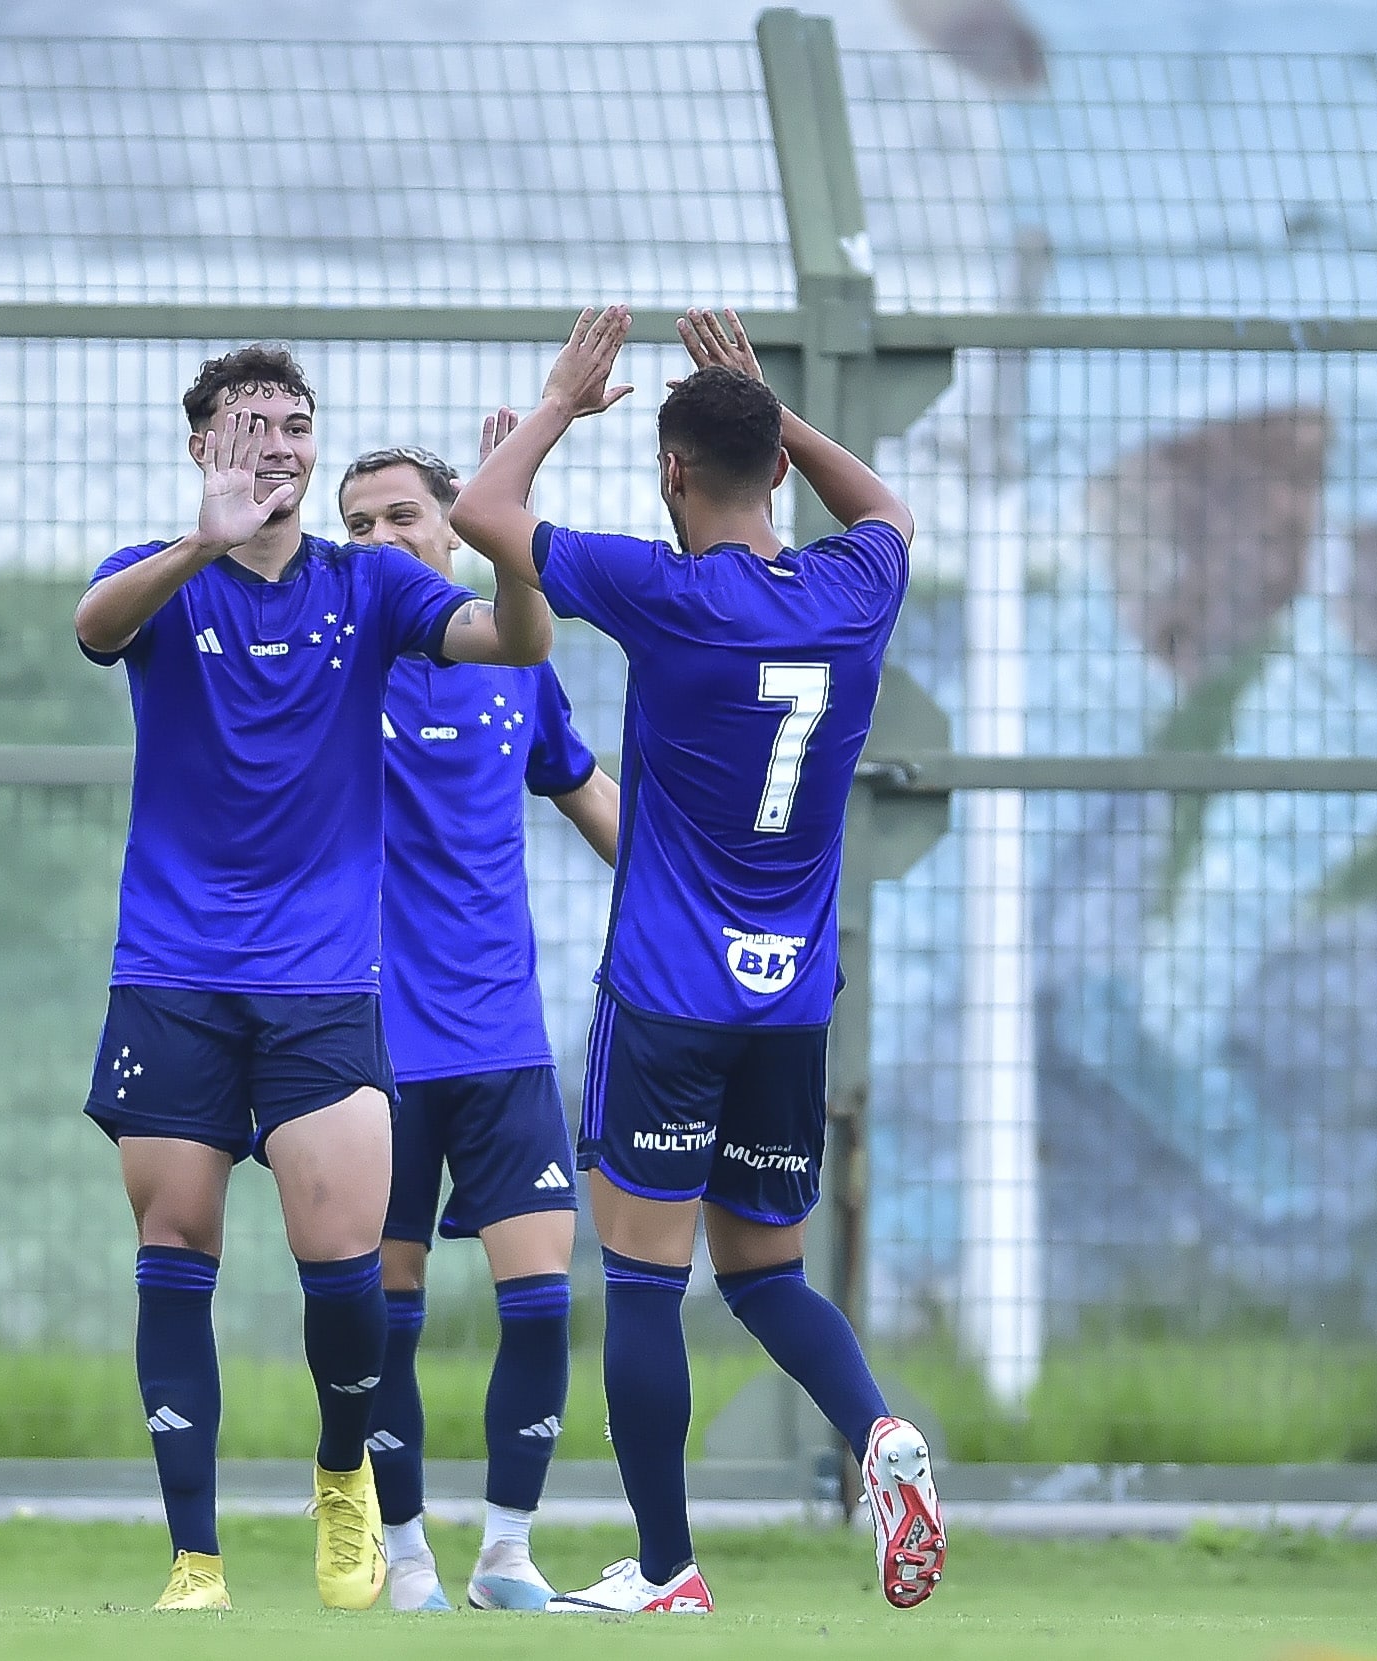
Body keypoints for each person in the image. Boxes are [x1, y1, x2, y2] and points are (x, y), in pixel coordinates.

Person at [451, 305, 946, 1616]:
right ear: (779, 467)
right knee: (770, 1272)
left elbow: (485, 517)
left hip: (672, 994)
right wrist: (767, 405)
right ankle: (880, 1435)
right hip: (794, 1004)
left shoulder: (665, 594)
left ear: (671, 473)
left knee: (647, 1282)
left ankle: (668, 1568)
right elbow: (888, 507)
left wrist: (563, 399)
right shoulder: (856, 588)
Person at [72, 342, 560, 1613]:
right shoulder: (156, 574)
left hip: (325, 987)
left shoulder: (368, 586)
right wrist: (201, 540)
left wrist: (506, 527)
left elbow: (513, 638)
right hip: (172, 974)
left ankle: (345, 1478)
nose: (278, 443)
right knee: (175, 1243)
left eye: (295, 422)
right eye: (251, 425)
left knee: (344, 1270)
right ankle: (196, 1559)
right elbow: (93, 628)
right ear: (203, 448)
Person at [336, 421, 620, 1612]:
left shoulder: (518, 659)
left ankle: (508, 1545)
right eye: (356, 525)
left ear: (452, 524)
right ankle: (403, 1556)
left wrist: (700, 902)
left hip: (503, 1038)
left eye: (401, 514)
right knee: (381, 1309)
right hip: (374, 1048)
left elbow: (588, 793)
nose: (379, 538)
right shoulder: (337, 656)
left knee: (543, 1295)